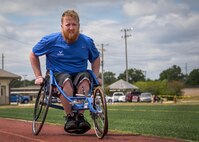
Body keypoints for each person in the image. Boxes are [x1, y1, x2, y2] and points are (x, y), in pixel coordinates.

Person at [29, 10, 101, 134]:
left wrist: (95, 75)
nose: (71, 28)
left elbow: (96, 57)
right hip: (58, 74)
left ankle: (79, 117)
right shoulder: (50, 40)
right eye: (68, 25)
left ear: (79, 25)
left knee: (85, 78)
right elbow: (33, 54)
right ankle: (70, 117)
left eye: (74, 24)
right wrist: (38, 76)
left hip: (79, 73)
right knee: (66, 80)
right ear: (61, 26)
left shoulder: (87, 41)